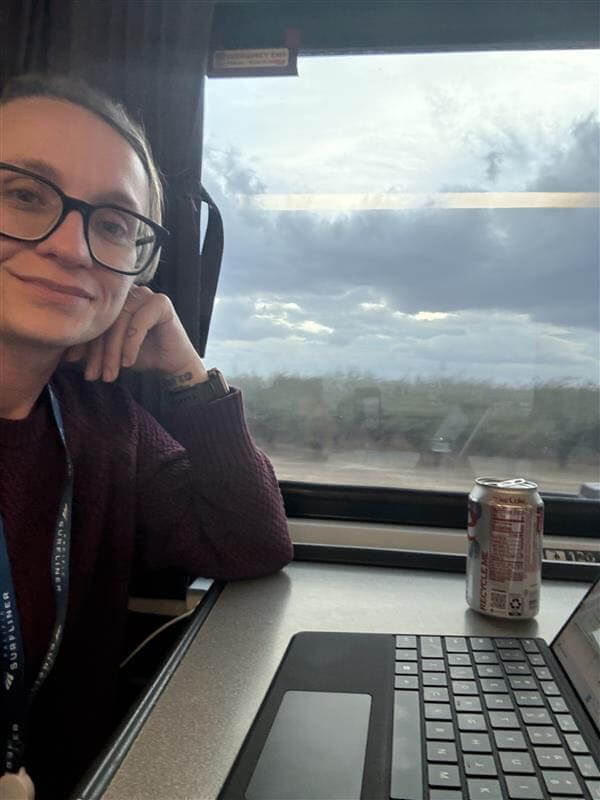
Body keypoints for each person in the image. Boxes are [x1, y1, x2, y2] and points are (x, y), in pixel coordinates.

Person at [0, 73, 293, 799]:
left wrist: (189, 374)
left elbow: (249, 542)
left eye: (112, 224)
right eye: (25, 195)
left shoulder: (98, 424)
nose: (73, 248)